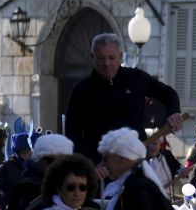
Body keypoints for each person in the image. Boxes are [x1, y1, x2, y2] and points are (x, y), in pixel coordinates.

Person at [65, 33, 185, 161]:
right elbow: (73, 134)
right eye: (101, 58)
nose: (106, 63)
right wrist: (92, 163)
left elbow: (168, 93)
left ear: (120, 57)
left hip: (136, 161)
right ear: (92, 57)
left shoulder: (135, 78)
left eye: (111, 58)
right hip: (101, 166)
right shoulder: (82, 90)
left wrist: (174, 112)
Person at [2, 134, 75, 210]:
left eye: (64, 161)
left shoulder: (76, 188)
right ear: (39, 161)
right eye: (51, 160)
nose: (58, 165)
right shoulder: (26, 189)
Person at [0, 132, 33, 210]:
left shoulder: (33, 167)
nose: (31, 154)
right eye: (27, 151)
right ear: (20, 152)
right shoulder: (4, 167)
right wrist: (4, 209)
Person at [144, 127, 189, 194]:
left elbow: (178, 167)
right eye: (149, 144)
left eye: (154, 143)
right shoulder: (141, 162)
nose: (152, 147)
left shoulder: (167, 155)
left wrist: (183, 170)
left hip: (168, 200)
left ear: (159, 144)